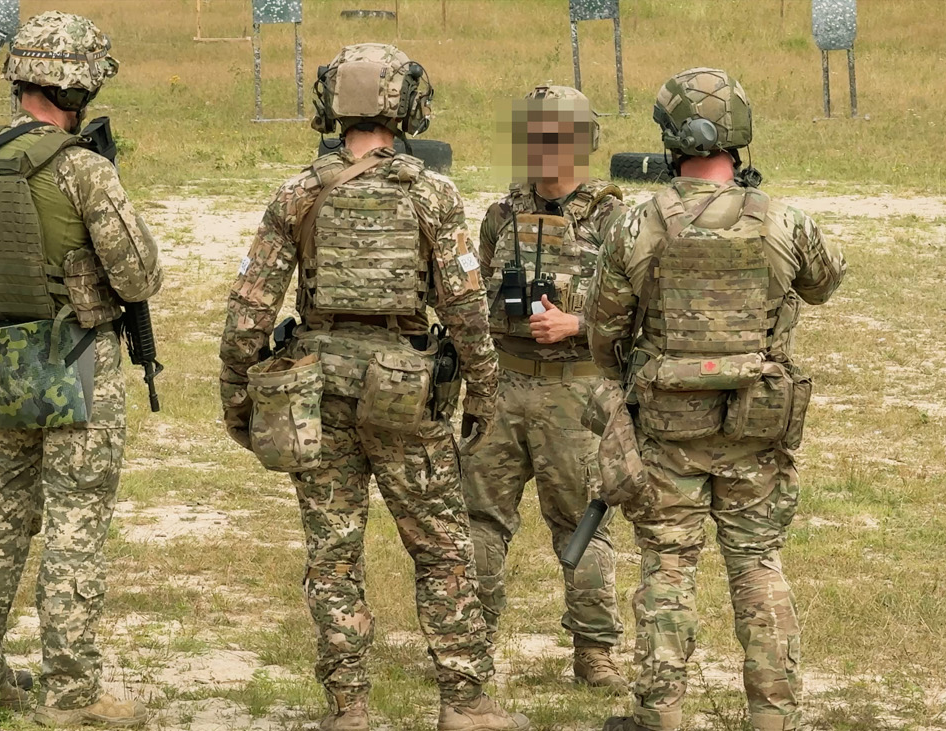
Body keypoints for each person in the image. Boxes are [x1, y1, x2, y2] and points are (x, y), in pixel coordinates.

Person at [220, 43, 527, 731]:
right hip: (406, 395)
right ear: (407, 107)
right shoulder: (431, 195)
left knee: (332, 555)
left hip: (316, 389)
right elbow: (466, 309)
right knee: (442, 550)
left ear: (333, 104)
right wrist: (483, 391)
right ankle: (463, 701)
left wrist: (237, 396)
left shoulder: (298, 193)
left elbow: (249, 309)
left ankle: (349, 705)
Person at [585, 68, 845, 731]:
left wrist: (632, 383)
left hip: (669, 428)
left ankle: (659, 716)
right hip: (757, 425)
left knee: (668, 567)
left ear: (670, 140)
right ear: (740, 135)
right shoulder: (783, 220)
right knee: (757, 563)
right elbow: (823, 284)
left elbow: (604, 330)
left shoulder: (636, 224)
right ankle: (773, 717)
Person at [0, 11, 162, 728]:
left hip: (0, 356)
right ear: (77, 86)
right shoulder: (82, 168)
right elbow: (138, 274)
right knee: (75, 519)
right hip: (75, 359)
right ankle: (72, 693)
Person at [463, 84, 628, 692]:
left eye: (555, 137)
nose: (541, 149)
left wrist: (577, 324)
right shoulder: (500, 216)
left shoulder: (615, 221)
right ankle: (470, 648)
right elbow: (474, 293)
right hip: (503, 387)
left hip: (575, 395)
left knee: (582, 525)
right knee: (479, 521)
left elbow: (640, 312)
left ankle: (594, 654)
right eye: (533, 136)